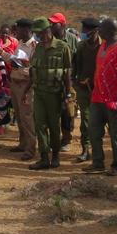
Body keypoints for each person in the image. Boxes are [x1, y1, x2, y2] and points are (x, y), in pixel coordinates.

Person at [85, 18, 117, 176]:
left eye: (102, 29)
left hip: (114, 99)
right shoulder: (103, 45)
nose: (99, 31)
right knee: (93, 130)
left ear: (110, 30)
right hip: (98, 97)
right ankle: (97, 162)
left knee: (116, 134)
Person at [28, 17, 72, 170]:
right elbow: (32, 70)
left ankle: (55, 156)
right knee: (40, 125)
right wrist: (26, 92)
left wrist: (68, 95)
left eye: (39, 33)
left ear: (47, 31)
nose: (38, 36)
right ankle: (44, 157)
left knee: (54, 126)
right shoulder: (38, 48)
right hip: (39, 93)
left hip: (55, 94)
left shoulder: (62, 47)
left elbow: (67, 73)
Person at [71, 17, 101, 163]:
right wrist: (76, 82)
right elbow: (75, 65)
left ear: (95, 31)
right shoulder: (81, 46)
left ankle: (98, 151)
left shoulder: (104, 47)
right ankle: (86, 150)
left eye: (86, 30)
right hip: (84, 89)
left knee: (98, 122)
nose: (83, 32)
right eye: (83, 30)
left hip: (100, 90)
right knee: (86, 121)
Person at [48, 13, 79, 149]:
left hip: (70, 81)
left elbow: (78, 60)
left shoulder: (72, 40)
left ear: (63, 25)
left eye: (55, 23)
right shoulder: (49, 40)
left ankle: (66, 139)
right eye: (51, 23)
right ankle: (54, 139)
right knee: (53, 111)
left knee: (68, 111)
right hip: (52, 81)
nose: (52, 26)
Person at [8, 19, 37, 161]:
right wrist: (2, 53)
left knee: (27, 117)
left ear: (26, 30)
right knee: (19, 116)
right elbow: (15, 61)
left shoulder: (34, 46)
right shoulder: (19, 44)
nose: (16, 32)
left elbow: (33, 69)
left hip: (26, 85)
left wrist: (23, 67)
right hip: (15, 83)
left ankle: (31, 148)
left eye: (18, 30)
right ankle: (23, 143)